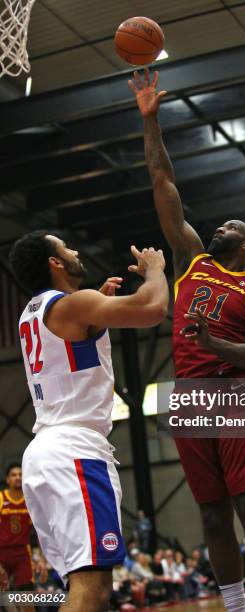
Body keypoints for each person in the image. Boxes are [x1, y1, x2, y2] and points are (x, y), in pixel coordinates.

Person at [129, 68, 245, 612]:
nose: (220, 228)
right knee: (212, 512)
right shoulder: (189, 258)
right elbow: (162, 182)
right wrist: (151, 123)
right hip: (190, 393)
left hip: (234, 387)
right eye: (220, 226)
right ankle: (234, 606)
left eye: (232, 229)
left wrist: (215, 345)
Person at [9, 231, 168, 612]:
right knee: (92, 589)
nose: (75, 250)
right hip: (74, 453)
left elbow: (75, 347)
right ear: (55, 263)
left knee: (86, 588)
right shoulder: (72, 306)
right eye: (67, 248)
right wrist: (156, 270)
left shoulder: (35, 312)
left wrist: (98, 310)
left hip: (48, 453)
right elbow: (154, 309)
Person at [0, 463, 47, 612]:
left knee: (28, 603)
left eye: (20, 474)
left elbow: (41, 531)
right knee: (5, 602)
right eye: (13, 475)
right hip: (1, 553)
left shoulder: (30, 501)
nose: (18, 477)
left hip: (22, 555)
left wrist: (43, 560)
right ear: (7, 479)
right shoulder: (1, 498)